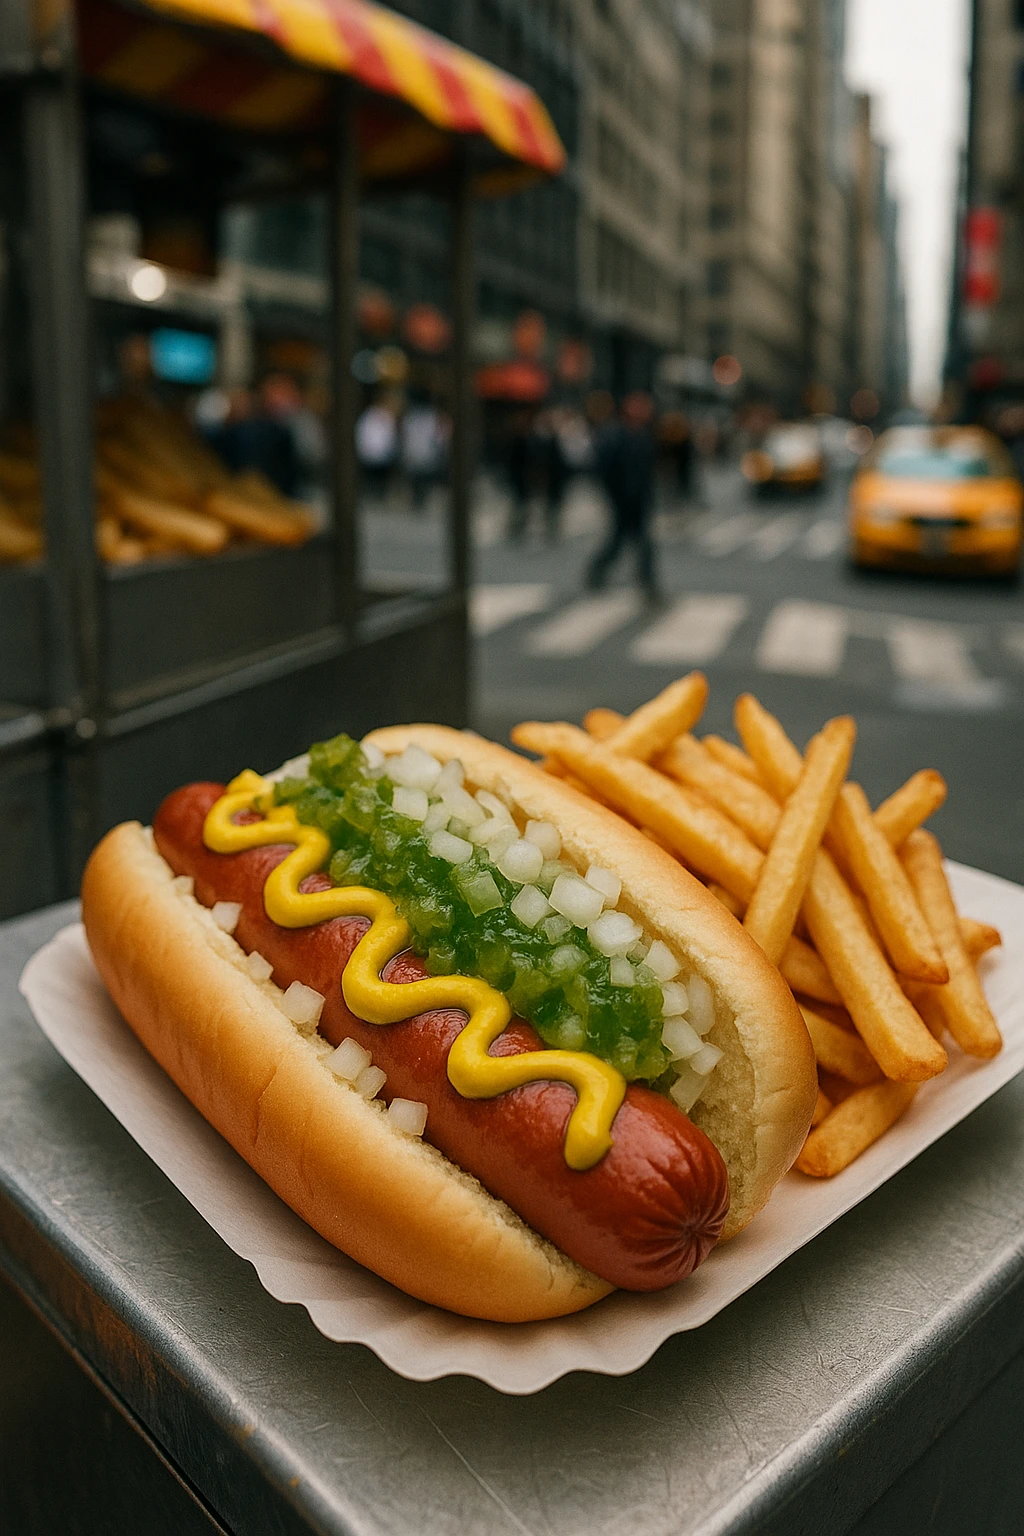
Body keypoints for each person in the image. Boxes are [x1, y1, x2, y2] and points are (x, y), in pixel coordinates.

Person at [587, 391, 660, 600]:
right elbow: (604, 469)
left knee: (639, 543)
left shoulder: (644, 436)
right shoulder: (616, 437)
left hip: (639, 500)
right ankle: (599, 571)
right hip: (623, 501)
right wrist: (615, 496)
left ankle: (646, 580)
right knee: (620, 541)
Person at [400, 396, 449, 510]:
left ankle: (418, 500)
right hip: (426, 454)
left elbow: (406, 436)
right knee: (421, 480)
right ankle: (419, 500)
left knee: (418, 479)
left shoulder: (411, 417)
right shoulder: (431, 417)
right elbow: (438, 438)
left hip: (416, 454)